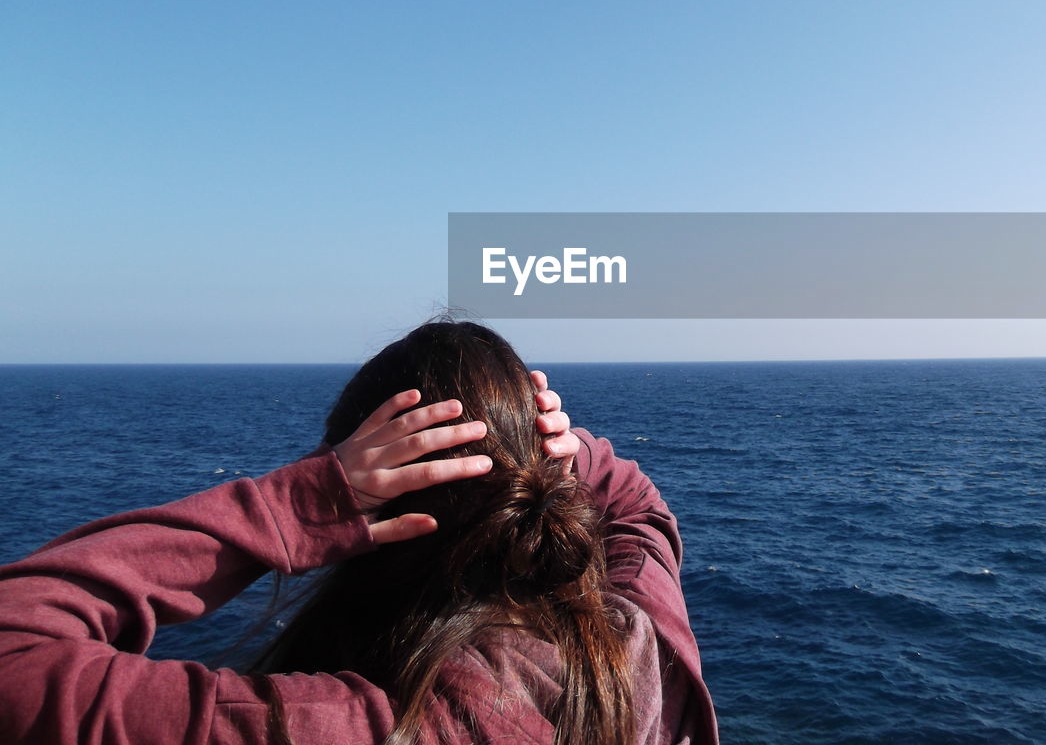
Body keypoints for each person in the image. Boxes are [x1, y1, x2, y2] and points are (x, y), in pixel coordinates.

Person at [0, 319, 718, 745]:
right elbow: (638, 511)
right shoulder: (640, 648)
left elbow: (15, 647)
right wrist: (568, 452)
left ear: (373, 524)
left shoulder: (348, 724)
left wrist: (299, 504)